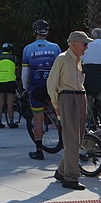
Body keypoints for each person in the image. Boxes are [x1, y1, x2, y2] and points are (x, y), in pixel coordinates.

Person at [47, 30, 92, 191]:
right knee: (72, 139)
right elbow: (51, 83)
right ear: (73, 43)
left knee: (78, 138)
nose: (86, 47)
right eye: (84, 44)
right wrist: (56, 105)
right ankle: (71, 177)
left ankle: (61, 171)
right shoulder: (62, 59)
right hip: (68, 98)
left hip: (80, 97)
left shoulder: (79, 60)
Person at [22, 19, 62, 160]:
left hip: (37, 87)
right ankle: (68, 143)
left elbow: (25, 73)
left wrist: (25, 87)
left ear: (35, 32)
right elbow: (60, 68)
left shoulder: (28, 49)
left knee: (38, 120)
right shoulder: (56, 47)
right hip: (52, 86)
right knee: (60, 115)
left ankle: (39, 151)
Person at [83, 27, 101, 112]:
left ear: (92, 36)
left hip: (90, 74)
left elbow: (81, 59)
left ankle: (88, 119)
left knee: (88, 97)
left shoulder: (87, 45)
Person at [0, 42, 19, 128]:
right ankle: (11, 122)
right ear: (10, 50)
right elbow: (17, 70)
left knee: (0, 102)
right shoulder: (13, 58)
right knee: (10, 102)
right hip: (10, 81)